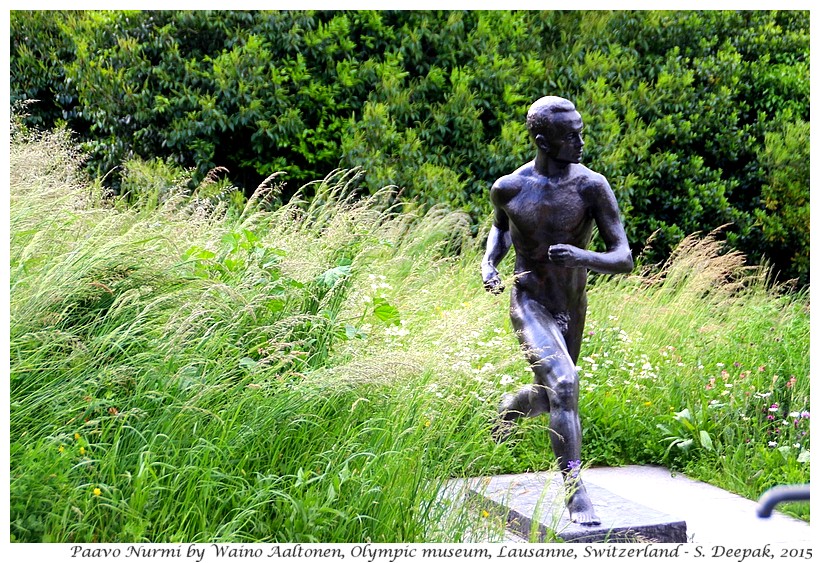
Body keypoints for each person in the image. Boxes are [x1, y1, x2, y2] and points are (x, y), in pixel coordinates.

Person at [481, 96, 633, 526]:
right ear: (543, 140)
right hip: (528, 300)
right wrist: (488, 264)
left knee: (551, 397)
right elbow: (500, 229)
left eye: (581, 131)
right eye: (571, 136)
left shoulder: (591, 186)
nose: (582, 142)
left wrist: (584, 258)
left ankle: (509, 408)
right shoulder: (509, 187)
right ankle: (574, 489)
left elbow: (623, 257)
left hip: (572, 305)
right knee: (566, 383)